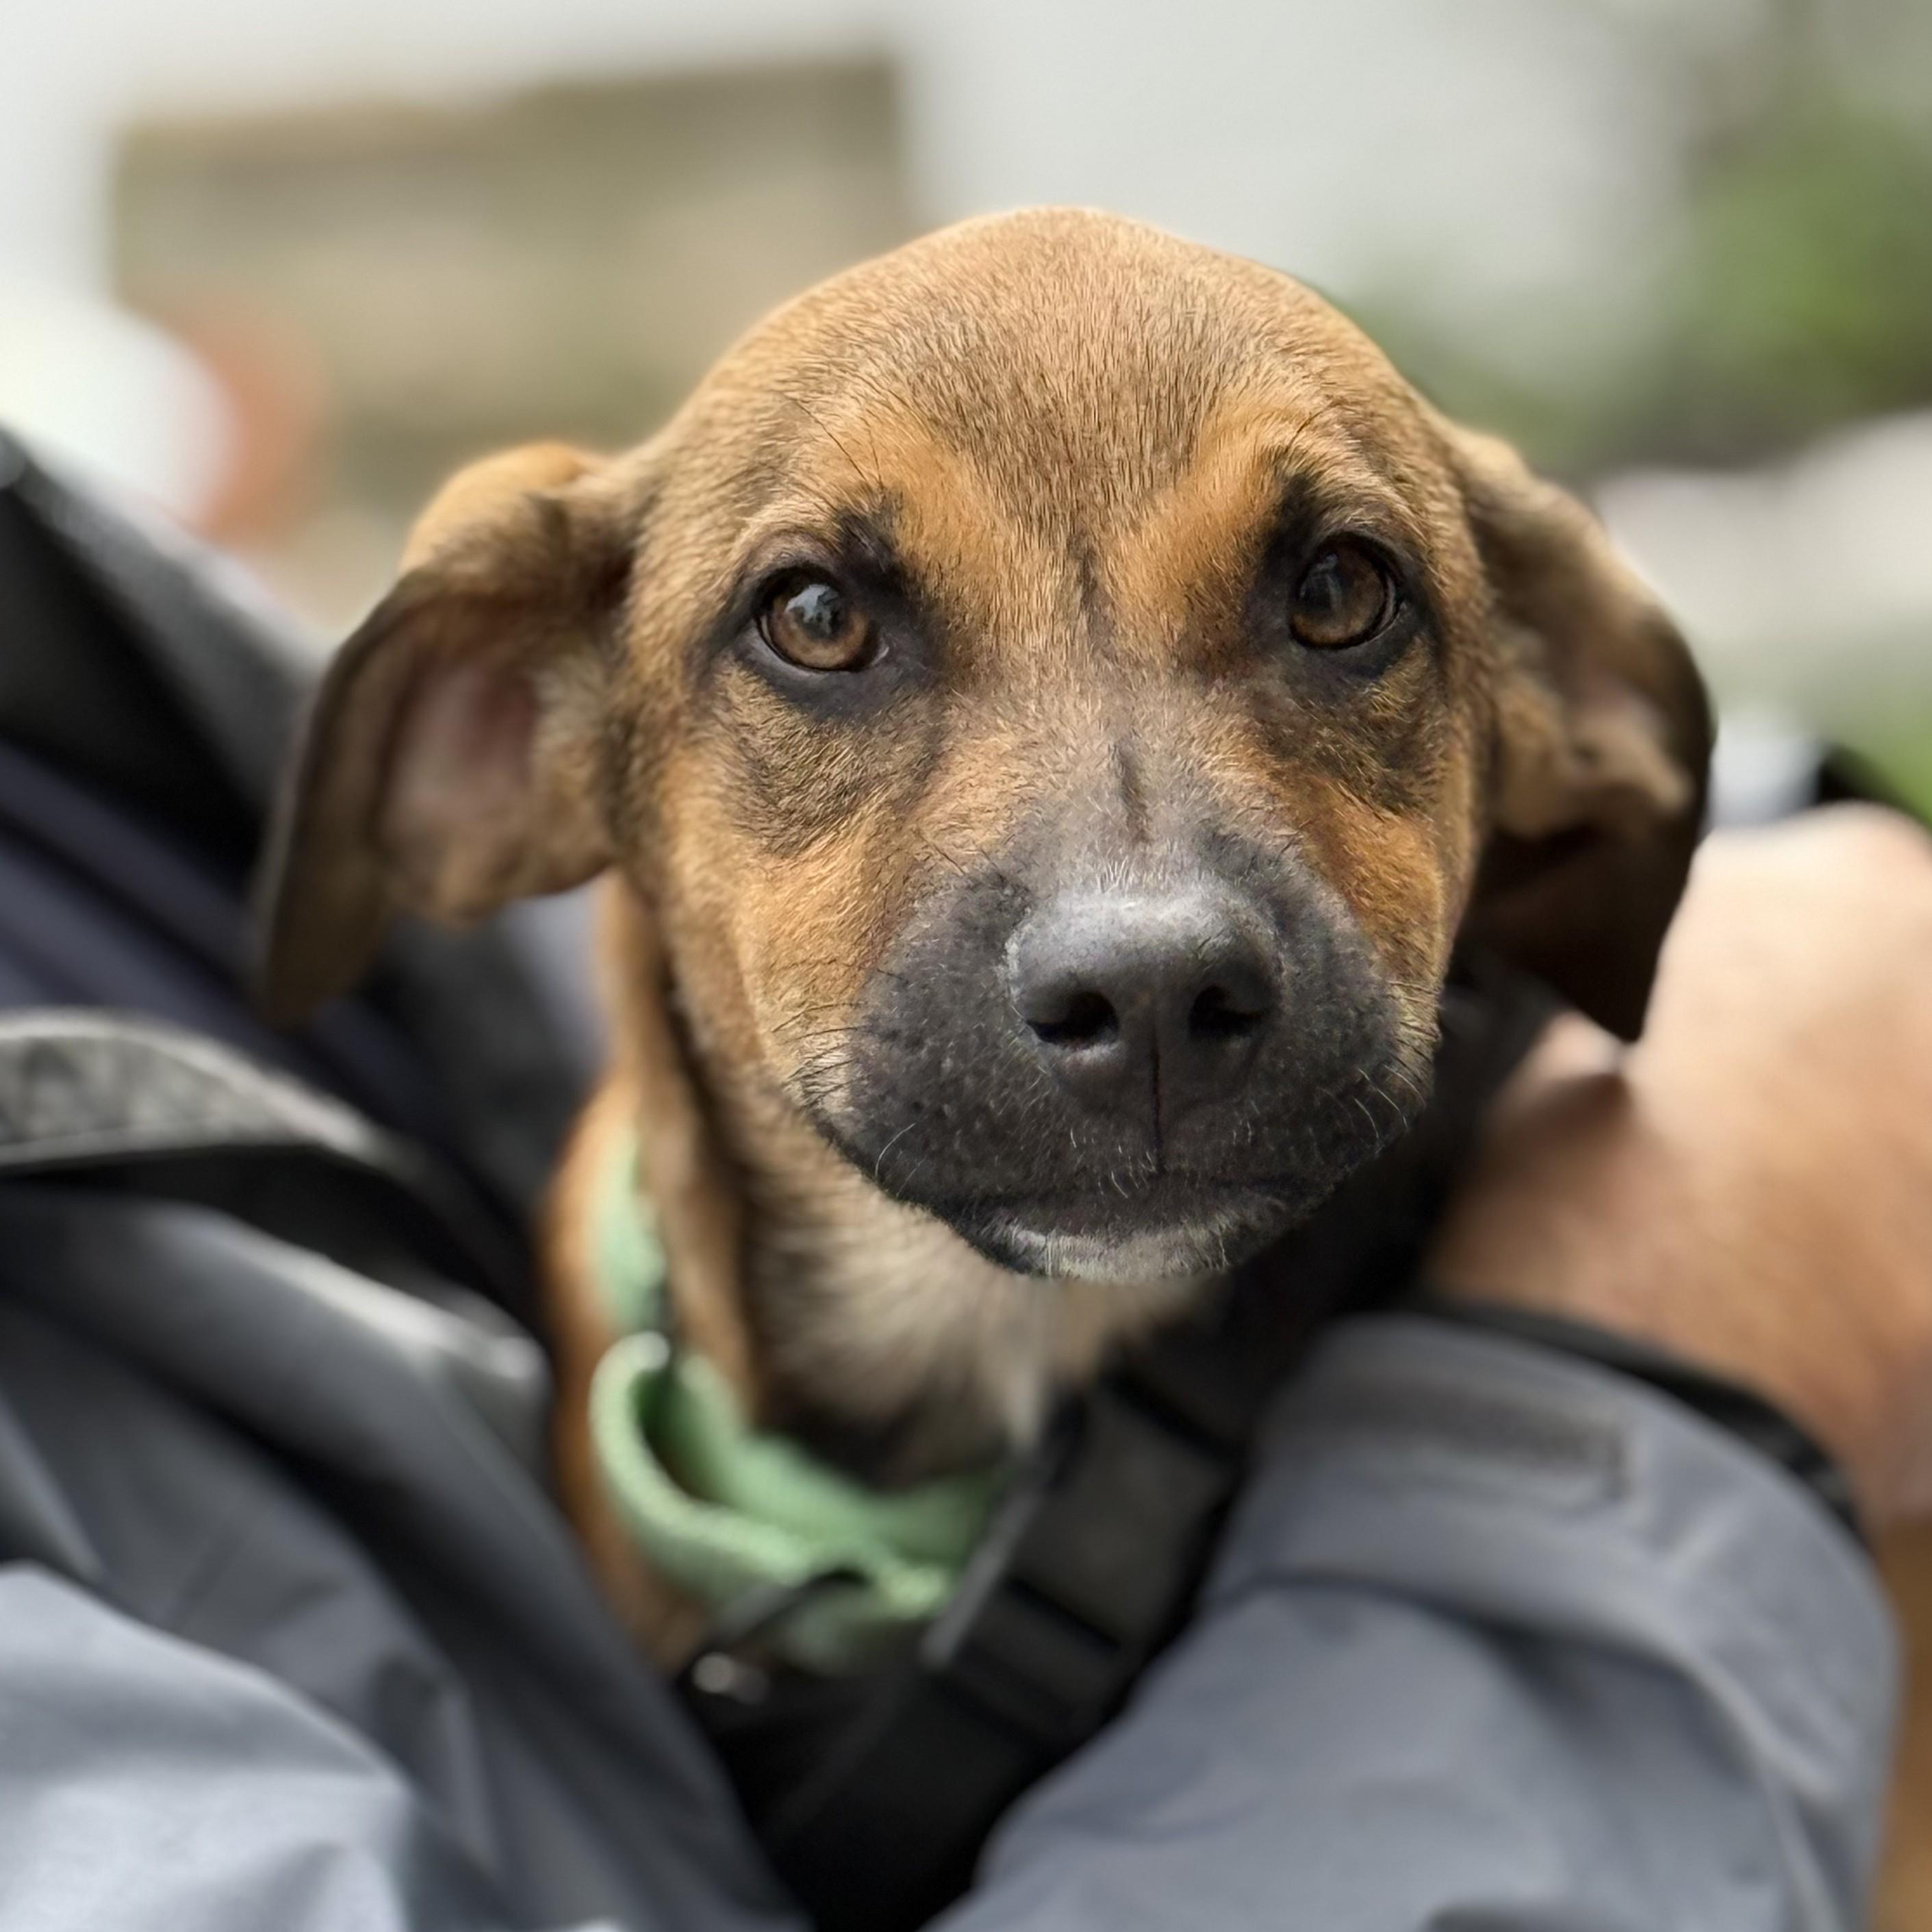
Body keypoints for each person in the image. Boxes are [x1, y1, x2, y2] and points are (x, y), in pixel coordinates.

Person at [0, 431, 1924, 1930]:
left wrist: (1756, 970)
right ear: (494, 741)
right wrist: (1642, 1389)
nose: (1139, 925)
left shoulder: (87, 652)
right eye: (825, 626)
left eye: (1334, 598)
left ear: (1572, 715)